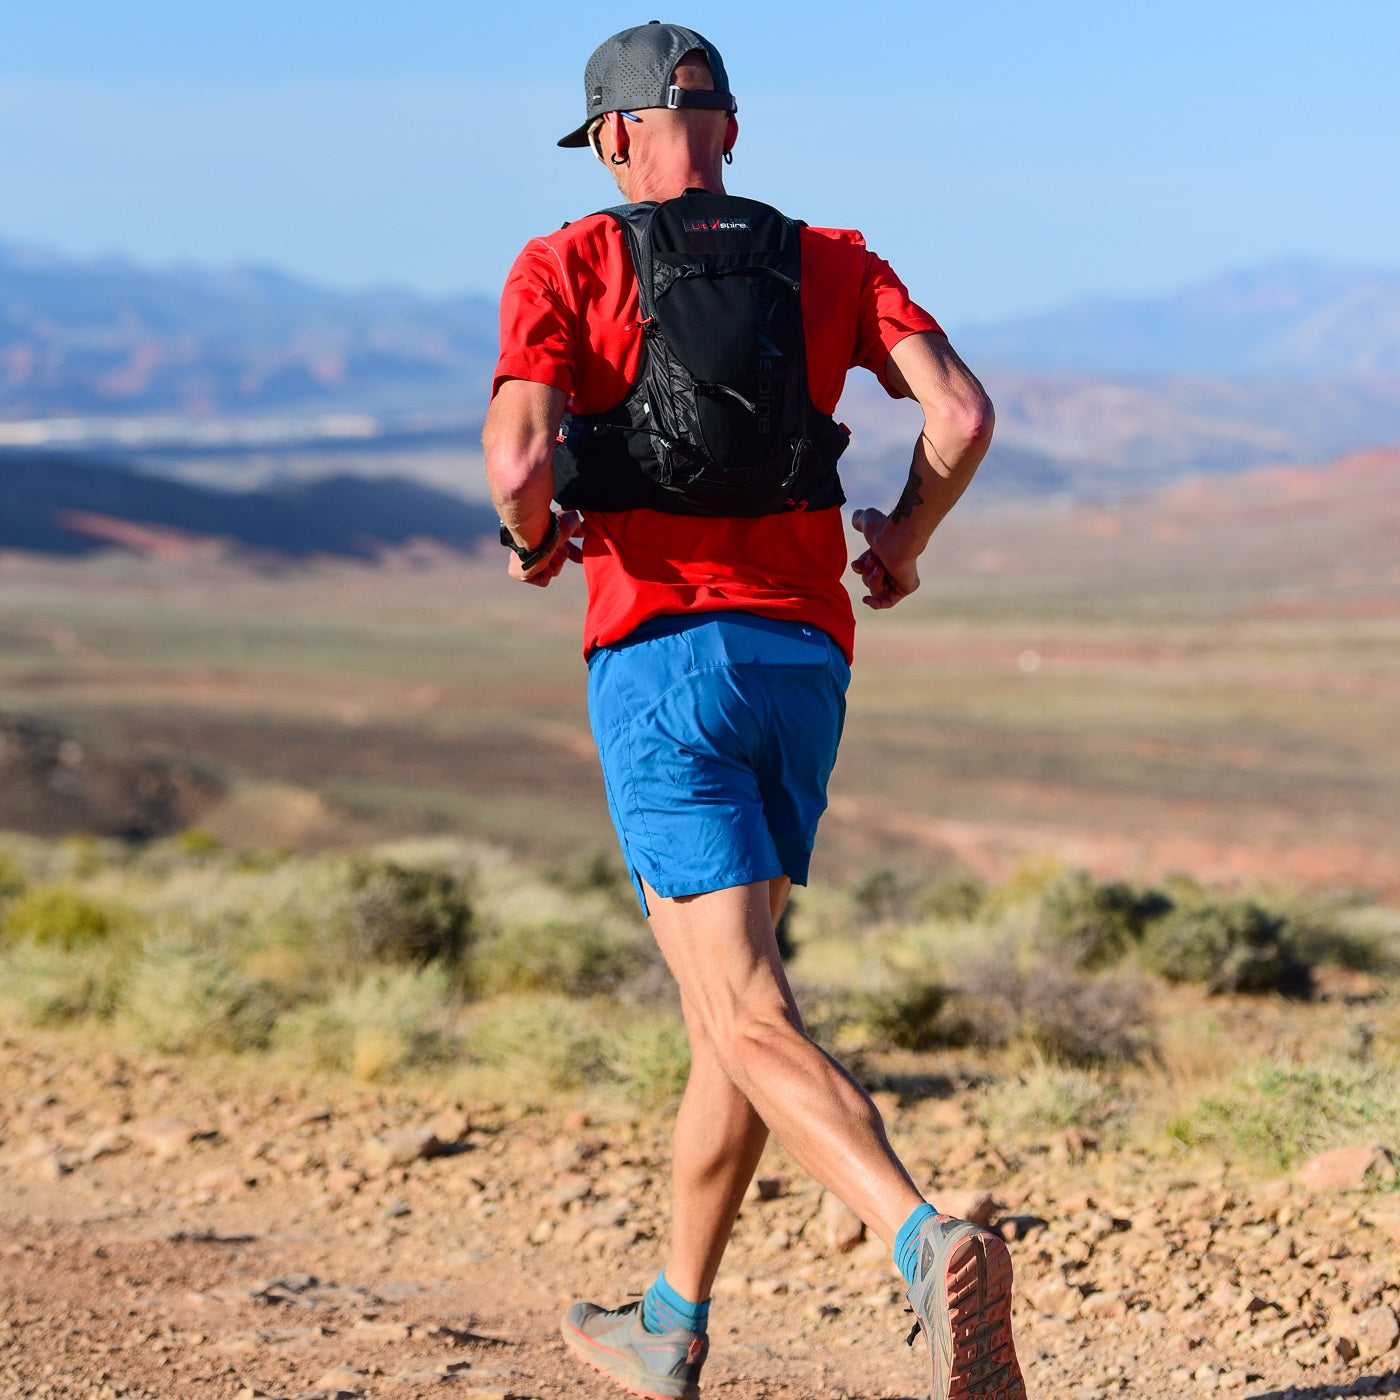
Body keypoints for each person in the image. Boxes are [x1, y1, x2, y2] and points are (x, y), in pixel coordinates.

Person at [482, 21, 1025, 1400]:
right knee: (732, 1002)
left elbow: (521, 453)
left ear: (613, 137)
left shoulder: (568, 261)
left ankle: (918, 1238)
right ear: (729, 126)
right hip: (803, 672)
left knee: (739, 1001)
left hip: (663, 663)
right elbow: (959, 415)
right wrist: (898, 542)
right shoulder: (836, 259)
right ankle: (670, 1315)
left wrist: (534, 538)